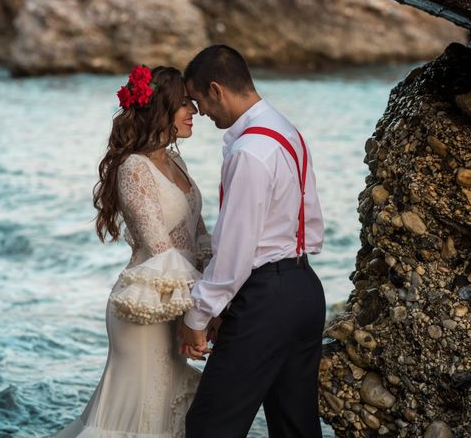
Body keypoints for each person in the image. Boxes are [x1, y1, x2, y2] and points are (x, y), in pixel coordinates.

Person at [47, 65, 211, 438]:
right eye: (184, 104)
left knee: (165, 419)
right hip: (144, 309)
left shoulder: (175, 161)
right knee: (137, 420)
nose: (194, 112)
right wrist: (199, 315)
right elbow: (160, 248)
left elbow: (199, 235)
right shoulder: (134, 168)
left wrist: (215, 299)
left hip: (180, 303)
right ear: (160, 110)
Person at [179, 44, 326, 438]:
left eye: (199, 101)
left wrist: (199, 315)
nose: (202, 112)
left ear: (216, 89)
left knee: (211, 426)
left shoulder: (249, 151)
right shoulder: (286, 132)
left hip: (266, 298)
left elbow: (235, 249)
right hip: (305, 290)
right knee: (295, 426)